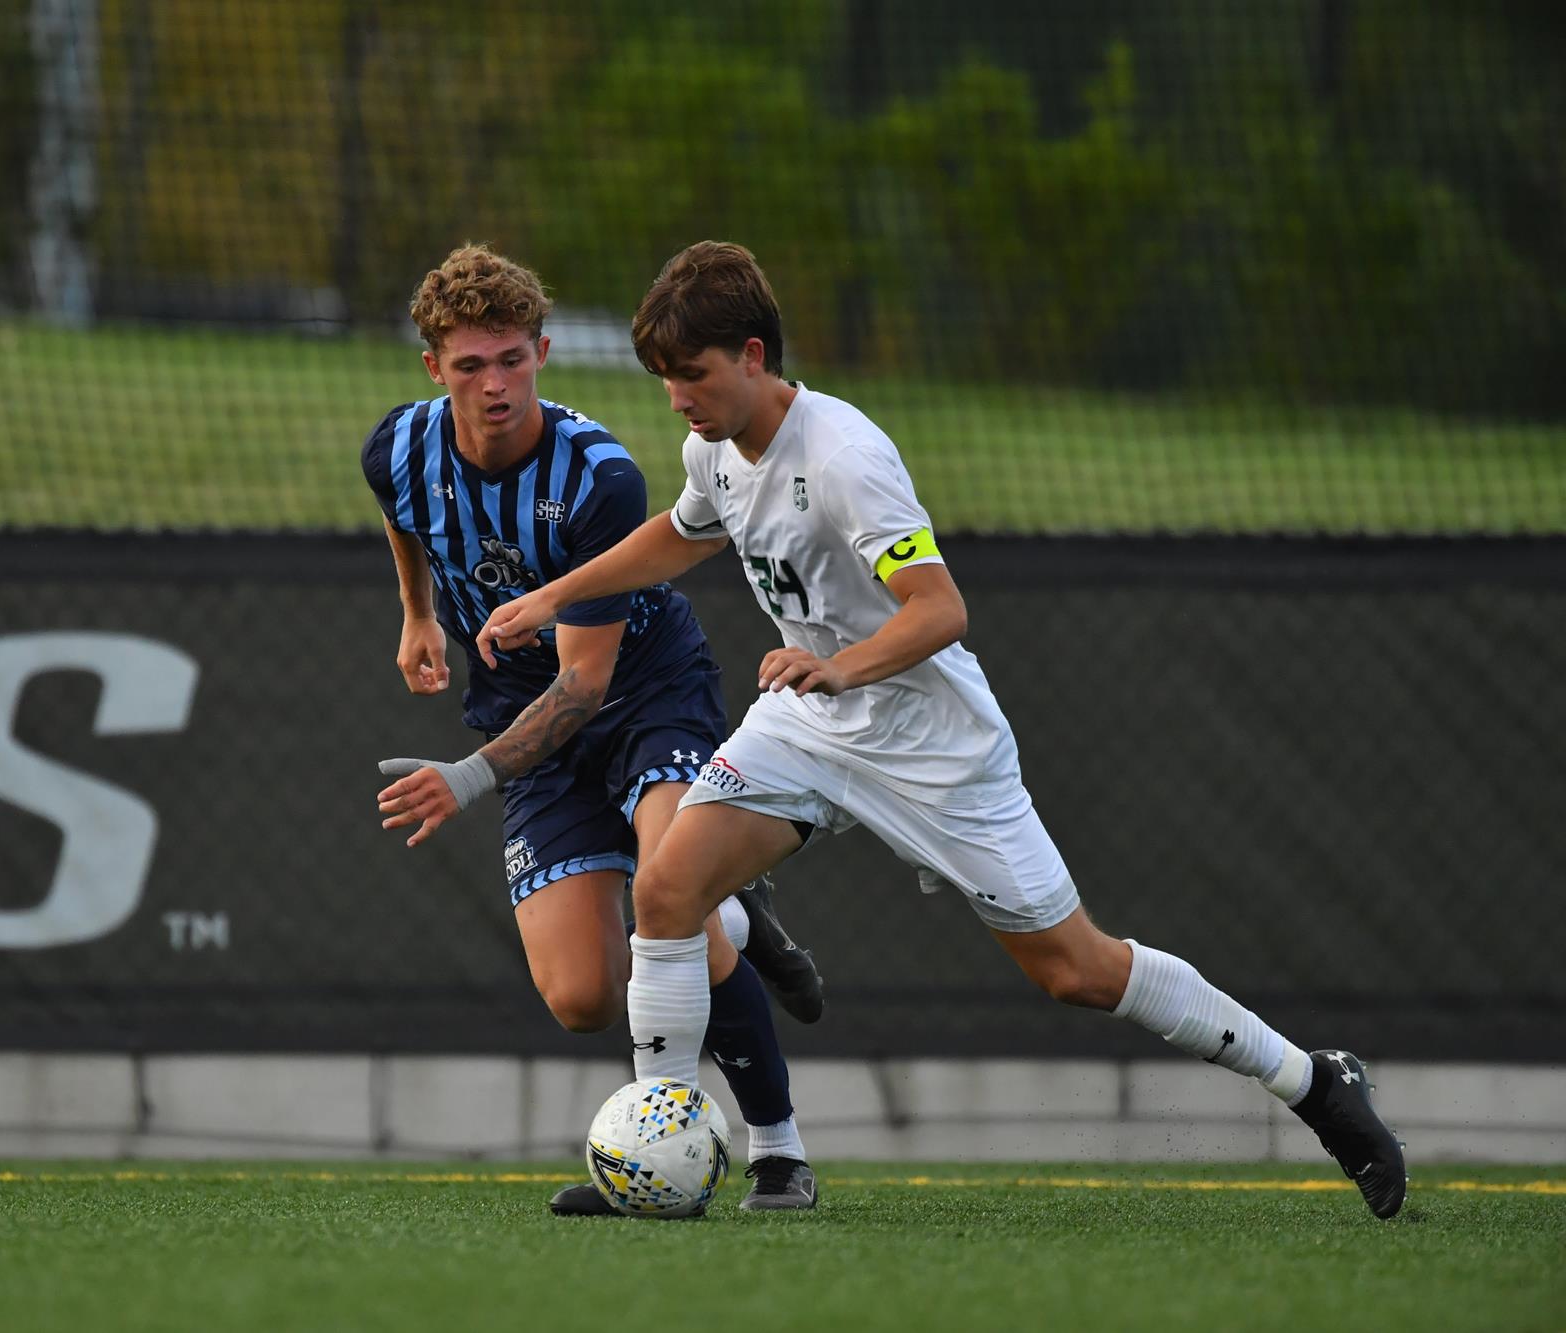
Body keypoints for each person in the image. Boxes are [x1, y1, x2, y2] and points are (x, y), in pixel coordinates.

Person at [478, 240, 1407, 1220]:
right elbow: (684, 528)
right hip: (810, 720)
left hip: (930, 742)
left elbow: (937, 609)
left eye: (692, 375)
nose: (676, 398)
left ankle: (1314, 1083)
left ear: (752, 355)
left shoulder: (844, 457)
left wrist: (836, 662)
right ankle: (657, 1157)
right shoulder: (711, 444)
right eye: (664, 380)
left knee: (1076, 971)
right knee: (664, 887)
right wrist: (555, 596)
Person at [365, 244, 824, 1213]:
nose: (493, 386)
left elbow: (580, 686)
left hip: (642, 695)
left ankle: (775, 1152)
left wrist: (466, 776)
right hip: (516, 717)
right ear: (432, 370)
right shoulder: (396, 448)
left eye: (511, 361)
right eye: (468, 366)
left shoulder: (595, 476)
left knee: (673, 908)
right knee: (579, 996)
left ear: (539, 351)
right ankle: (738, 914)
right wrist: (414, 613)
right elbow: (401, 513)